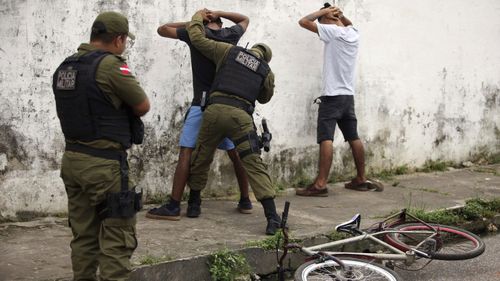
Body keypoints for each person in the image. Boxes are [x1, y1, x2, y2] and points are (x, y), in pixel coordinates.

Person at [52, 11, 150, 281]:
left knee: (83, 236)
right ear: (118, 39)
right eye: (125, 41)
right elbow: (142, 105)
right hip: (104, 166)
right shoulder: (111, 66)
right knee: (118, 237)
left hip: (72, 160)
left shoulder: (65, 67)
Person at [146, 10, 253, 221]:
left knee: (187, 153)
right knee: (236, 154)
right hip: (225, 105)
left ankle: (175, 205)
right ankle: (245, 200)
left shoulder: (197, 35)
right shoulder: (230, 35)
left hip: (201, 105)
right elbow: (244, 19)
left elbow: (162, 28)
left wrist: (196, 21)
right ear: (220, 23)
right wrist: (218, 13)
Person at [184, 9, 281, 235]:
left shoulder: (229, 51)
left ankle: (194, 204)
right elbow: (264, 98)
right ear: (265, 57)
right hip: (240, 117)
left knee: (201, 156)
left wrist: (198, 17)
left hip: (215, 111)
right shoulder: (266, 70)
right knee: (253, 162)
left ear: (251, 48)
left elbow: (197, 39)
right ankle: (272, 218)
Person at [296, 3, 383, 197]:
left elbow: (303, 21)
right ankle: (361, 178)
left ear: (327, 21)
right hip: (348, 96)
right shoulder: (353, 33)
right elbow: (348, 23)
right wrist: (340, 15)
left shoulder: (331, 32)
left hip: (332, 96)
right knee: (353, 136)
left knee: (326, 138)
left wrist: (324, 12)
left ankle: (320, 184)